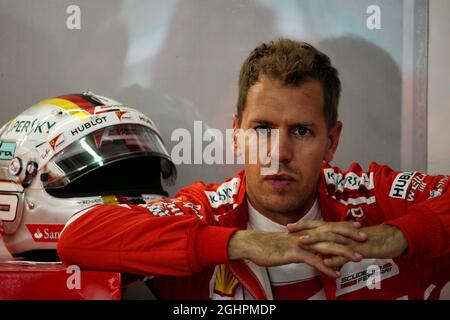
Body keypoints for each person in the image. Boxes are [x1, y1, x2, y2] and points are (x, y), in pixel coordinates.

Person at [57, 39, 450, 300]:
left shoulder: (374, 198)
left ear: (331, 141)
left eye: (302, 131)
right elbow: (78, 238)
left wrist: (398, 234)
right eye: (262, 129)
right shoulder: (207, 212)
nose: (279, 153)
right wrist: (243, 244)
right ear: (235, 135)